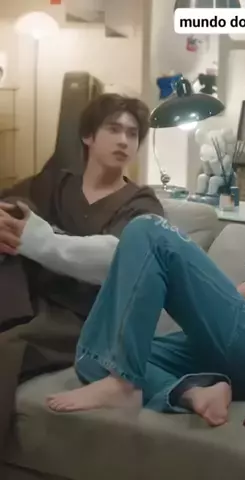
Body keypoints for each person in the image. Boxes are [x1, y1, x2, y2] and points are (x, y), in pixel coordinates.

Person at [47, 126, 245, 427]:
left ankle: (122, 386)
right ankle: (193, 394)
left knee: (148, 230)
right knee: (98, 358)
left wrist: (202, 296)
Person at [0, 93, 164, 455]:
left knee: (6, 348)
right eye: (114, 129)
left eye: (133, 134)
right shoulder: (52, 184)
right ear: (88, 136)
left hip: (84, 320)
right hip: (25, 301)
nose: (124, 140)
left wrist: (40, 238)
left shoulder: (141, 204)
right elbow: (14, 207)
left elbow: (114, 258)